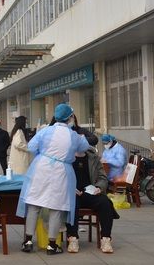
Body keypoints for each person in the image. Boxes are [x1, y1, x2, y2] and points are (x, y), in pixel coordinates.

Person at [17, 103, 90, 255]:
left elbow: (31, 147)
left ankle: (28, 241)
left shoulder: (45, 131)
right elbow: (84, 147)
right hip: (61, 172)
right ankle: (52, 245)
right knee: (56, 207)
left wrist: (44, 153)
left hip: (41, 168)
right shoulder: (74, 136)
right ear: (70, 117)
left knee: (34, 204)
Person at [66, 130, 118, 254]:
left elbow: (102, 177)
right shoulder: (66, 157)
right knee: (71, 204)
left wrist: (99, 187)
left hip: (90, 192)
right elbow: (59, 177)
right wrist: (69, 188)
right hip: (73, 193)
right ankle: (73, 238)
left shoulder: (93, 157)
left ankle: (106, 238)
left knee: (105, 202)